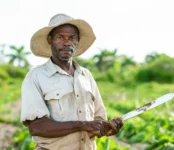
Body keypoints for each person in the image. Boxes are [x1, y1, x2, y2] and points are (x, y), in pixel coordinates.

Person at [21, 13, 123, 150]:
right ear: (50, 40)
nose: (67, 42)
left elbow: (98, 121)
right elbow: (37, 127)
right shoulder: (36, 77)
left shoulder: (86, 75)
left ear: (77, 41)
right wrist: (82, 125)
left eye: (72, 37)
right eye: (60, 37)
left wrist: (108, 127)